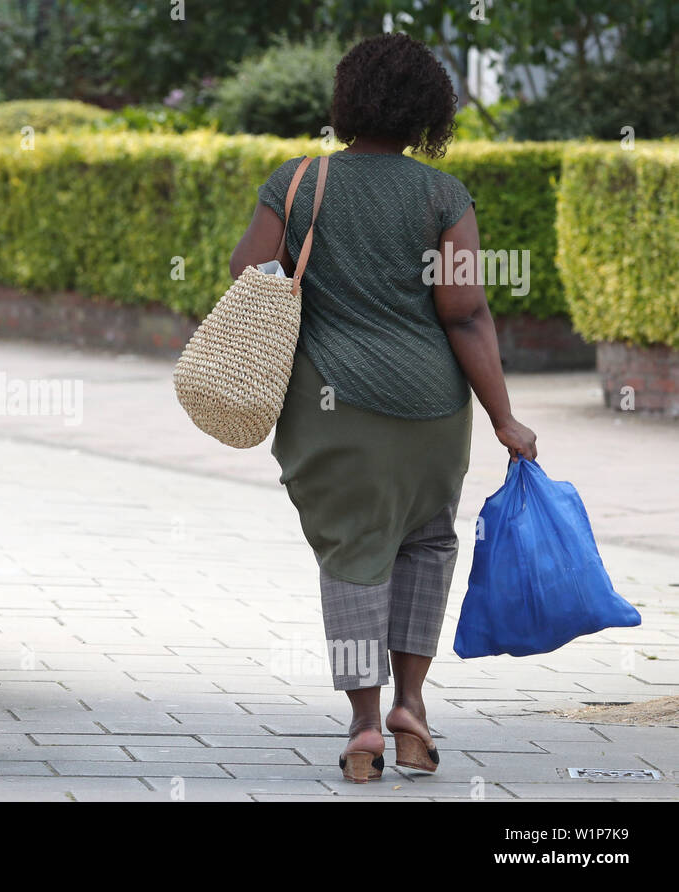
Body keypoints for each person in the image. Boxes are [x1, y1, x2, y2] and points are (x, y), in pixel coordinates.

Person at [228, 33, 537, 783]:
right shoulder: (443, 196)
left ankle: (364, 725)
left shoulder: (297, 182)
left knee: (351, 557)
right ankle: (411, 709)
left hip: (331, 409)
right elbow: (464, 312)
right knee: (427, 545)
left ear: (347, 101)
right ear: (429, 113)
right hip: (432, 409)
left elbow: (247, 272)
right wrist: (504, 418)